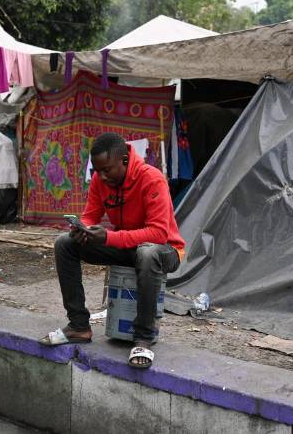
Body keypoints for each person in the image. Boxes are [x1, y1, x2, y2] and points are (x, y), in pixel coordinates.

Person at [39, 132, 185, 369]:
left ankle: (143, 337)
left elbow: (158, 233)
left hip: (165, 250)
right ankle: (78, 326)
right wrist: (83, 229)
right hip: (127, 247)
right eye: (97, 171)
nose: (102, 176)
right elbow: (91, 214)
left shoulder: (152, 179)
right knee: (65, 243)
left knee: (147, 253)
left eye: (107, 170)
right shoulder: (101, 179)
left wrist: (108, 236)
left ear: (125, 161)